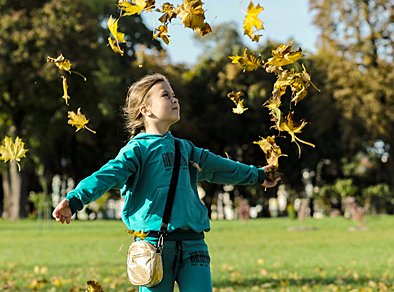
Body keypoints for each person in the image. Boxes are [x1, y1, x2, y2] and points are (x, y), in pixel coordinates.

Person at [52, 73, 280, 292]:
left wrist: (258, 174)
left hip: (194, 245)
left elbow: (222, 168)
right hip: (152, 248)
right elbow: (104, 177)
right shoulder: (137, 150)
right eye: (165, 95)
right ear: (145, 109)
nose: (174, 99)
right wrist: (73, 201)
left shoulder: (186, 149)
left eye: (174, 95)